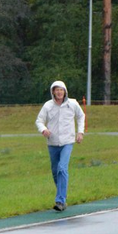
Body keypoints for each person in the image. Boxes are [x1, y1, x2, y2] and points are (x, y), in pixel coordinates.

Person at [35, 80, 85, 211]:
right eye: (56, 90)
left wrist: (80, 132)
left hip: (67, 142)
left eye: (61, 90)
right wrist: (43, 129)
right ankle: (63, 193)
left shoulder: (72, 104)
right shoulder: (48, 106)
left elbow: (81, 116)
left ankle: (60, 201)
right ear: (53, 92)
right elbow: (39, 120)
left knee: (62, 168)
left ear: (65, 91)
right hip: (52, 142)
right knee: (55, 171)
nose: (59, 92)